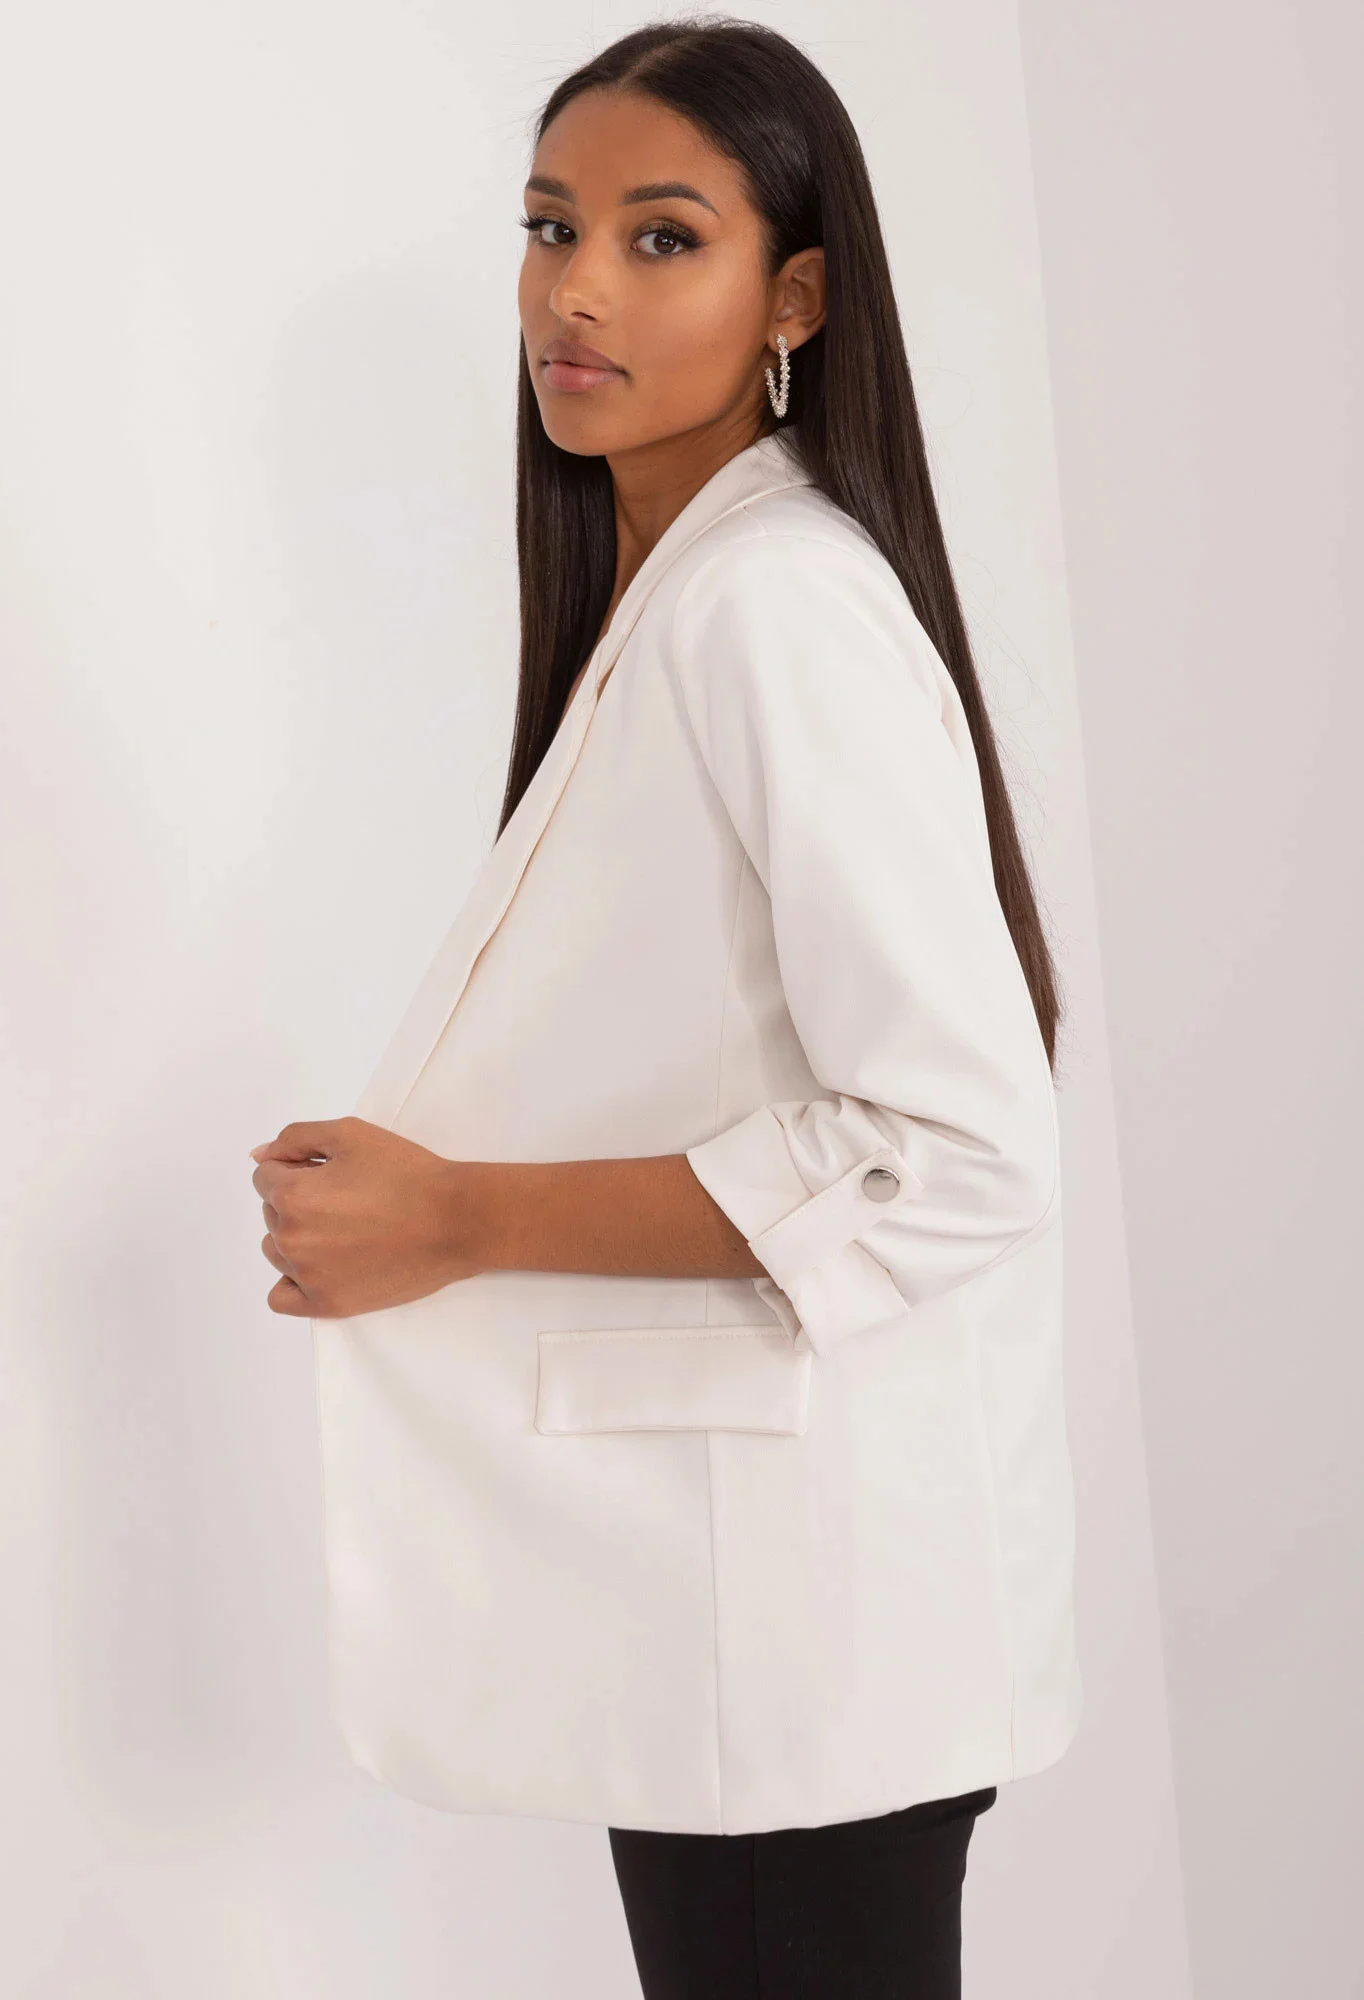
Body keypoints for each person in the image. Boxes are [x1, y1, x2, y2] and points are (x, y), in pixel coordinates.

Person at [250, 17, 1080, 1995]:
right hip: (728, 1621)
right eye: (552, 228)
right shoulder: (682, 595)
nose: (578, 291)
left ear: (797, 297)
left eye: (661, 237)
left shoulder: (774, 603)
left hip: (808, 1626)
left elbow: (959, 1146)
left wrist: (460, 1217)